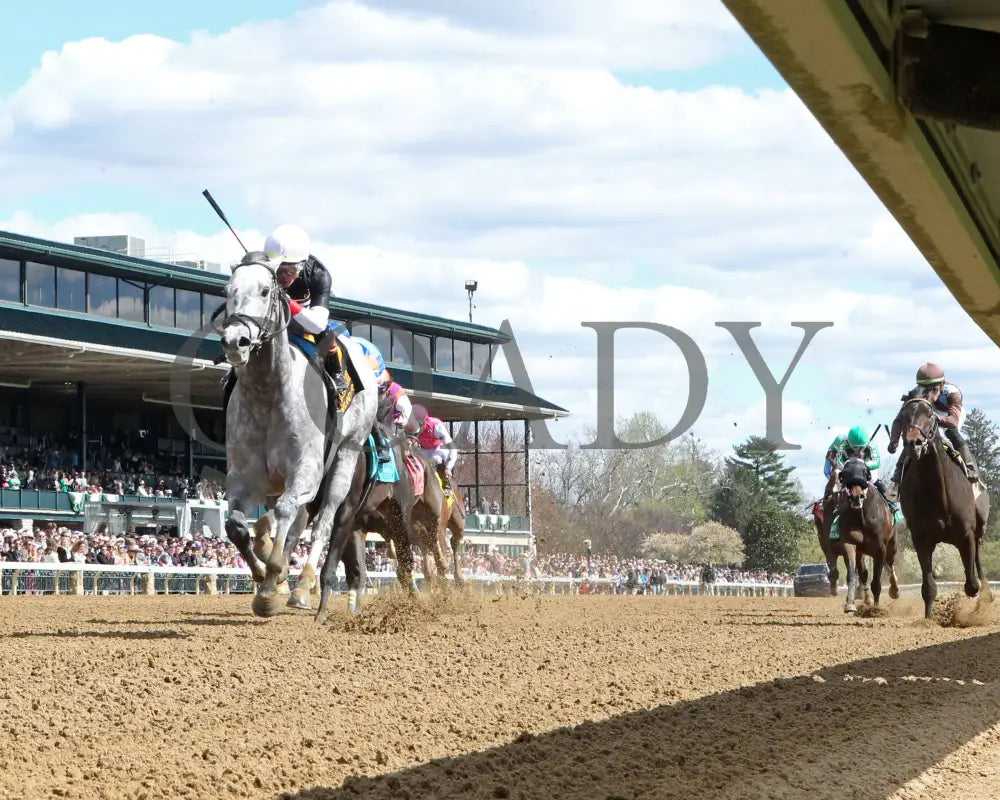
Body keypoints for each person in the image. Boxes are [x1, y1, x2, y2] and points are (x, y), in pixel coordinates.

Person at [888, 362, 978, 494]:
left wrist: (936, 418)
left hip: (949, 414)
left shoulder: (953, 393)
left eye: (933, 389)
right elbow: (899, 419)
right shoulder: (915, 393)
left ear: (942, 385)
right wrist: (893, 440)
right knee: (913, 434)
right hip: (926, 412)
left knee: (950, 433)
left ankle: (971, 468)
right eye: (924, 389)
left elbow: (953, 421)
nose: (928, 394)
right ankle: (898, 472)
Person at [406, 404, 458, 495]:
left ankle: (446, 481)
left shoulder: (436, 426)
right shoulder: (408, 426)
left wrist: (448, 467)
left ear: (424, 422)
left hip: (438, 448)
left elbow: (452, 447)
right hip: (423, 449)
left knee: (437, 457)